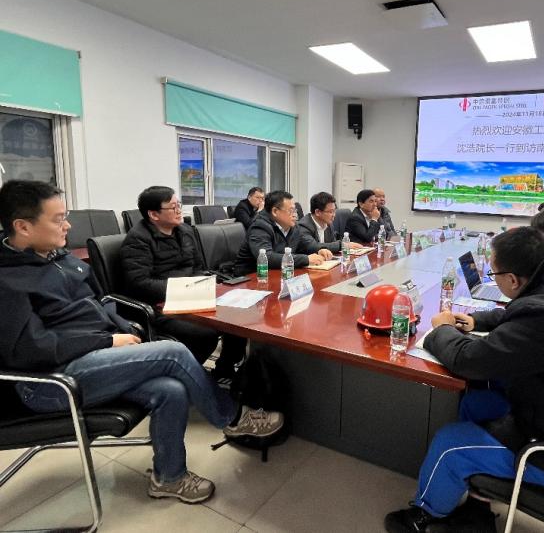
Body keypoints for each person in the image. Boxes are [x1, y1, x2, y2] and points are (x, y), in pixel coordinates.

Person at [0, 180, 283, 504]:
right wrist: (108, 340)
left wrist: (126, 331)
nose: (68, 226)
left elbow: (101, 303)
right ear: (23, 226)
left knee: (171, 390)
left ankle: (169, 478)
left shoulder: (59, 258)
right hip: (51, 381)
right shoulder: (7, 281)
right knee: (173, 353)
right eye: (58, 219)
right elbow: (31, 350)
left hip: (91, 359)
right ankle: (234, 418)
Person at [385, 227, 544, 532]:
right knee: (476, 404)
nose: (493, 279)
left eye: (494, 274)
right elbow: (519, 312)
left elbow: (469, 360)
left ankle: (423, 517)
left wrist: (441, 329)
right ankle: (478, 504)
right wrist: (476, 320)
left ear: (512, 280)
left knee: (450, 444)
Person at [120, 186, 246, 381]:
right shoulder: (138, 240)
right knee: (206, 333)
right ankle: (188, 375)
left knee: (238, 318)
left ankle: (224, 367)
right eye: (173, 207)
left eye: (179, 205)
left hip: (190, 297)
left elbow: (198, 267)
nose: (179, 210)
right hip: (160, 305)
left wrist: (198, 286)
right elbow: (139, 283)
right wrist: (184, 290)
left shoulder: (185, 231)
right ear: (154, 214)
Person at [233, 190, 332, 275]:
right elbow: (268, 258)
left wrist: (319, 250)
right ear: (275, 211)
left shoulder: (293, 226)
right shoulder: (260, 227)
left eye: (295, 210)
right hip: (251, 277)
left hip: (279, 273)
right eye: (291, 211)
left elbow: (305, 245)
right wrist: (306, 259)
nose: (295, 215)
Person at [297, 191, 363, 252]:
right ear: (317, 212)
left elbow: (332, 245)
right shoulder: (303, 226)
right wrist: (343, 245)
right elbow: (313, 247)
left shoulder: (328, 224)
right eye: (331, 212)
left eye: (334, 211)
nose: (334, 215)